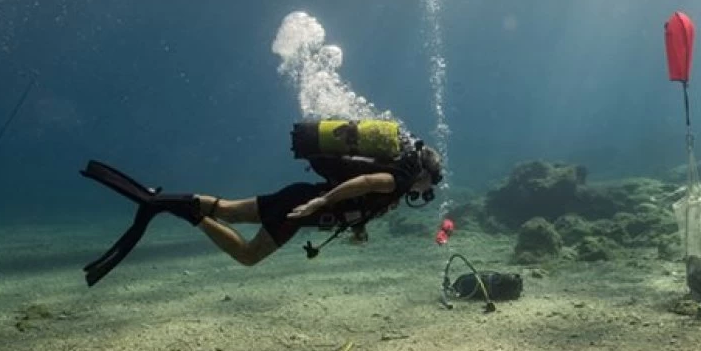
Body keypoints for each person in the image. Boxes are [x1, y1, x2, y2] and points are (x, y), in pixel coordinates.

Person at [79, 120, 443, 286]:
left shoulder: (396, 183)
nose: (423, 191)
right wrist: (318, 205)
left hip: (297, 194)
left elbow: (360, 195)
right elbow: (361, 182)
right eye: (429, 183)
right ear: (423, 172)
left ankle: (167, 202)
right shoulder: (397, 179)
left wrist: (357, 226)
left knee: (228, 210)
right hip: (300, 209)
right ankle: (185, 212)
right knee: (248, 256)